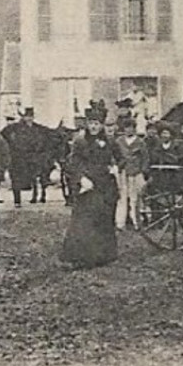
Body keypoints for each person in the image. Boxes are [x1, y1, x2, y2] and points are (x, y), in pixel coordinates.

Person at [60, 105, 119, 268]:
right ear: (87, 124)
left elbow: (119, 158)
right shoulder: (80, 141)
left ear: (102, 125)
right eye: (91, 123)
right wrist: (81, 178)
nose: (94, 127)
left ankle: (103, 255)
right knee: (84, 220)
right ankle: (81, 257)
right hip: (87, 185)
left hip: (105, 185)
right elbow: (73, 163)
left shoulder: (109, 141)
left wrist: (114, 168)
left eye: (97, 124)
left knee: (104, 219)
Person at [113, 119, 149, 230]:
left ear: (135, 128)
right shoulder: (119, 141)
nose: (129, 130)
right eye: (127, 127)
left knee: (136, 198)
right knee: (122, 197)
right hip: (123, 172)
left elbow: (145, 158)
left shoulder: (140, 142)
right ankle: (120, 223)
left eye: (131, 127)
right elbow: (114, 156)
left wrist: (143, 170)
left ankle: (137, 223)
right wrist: (117, 166)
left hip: (136, 172)